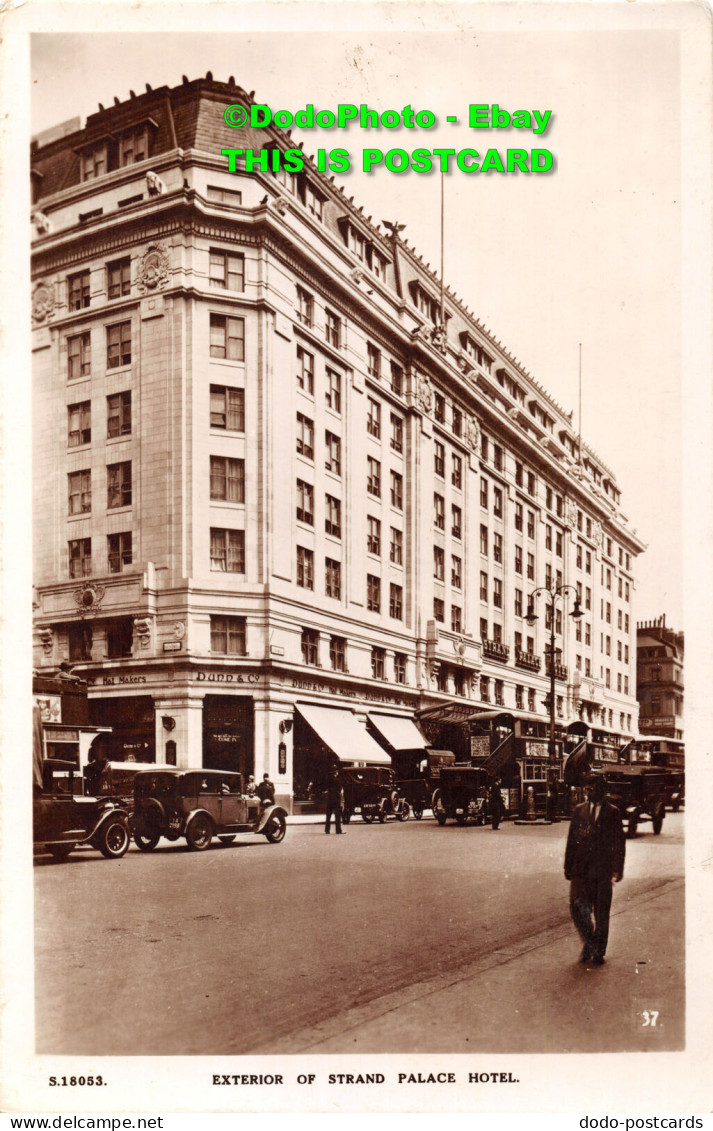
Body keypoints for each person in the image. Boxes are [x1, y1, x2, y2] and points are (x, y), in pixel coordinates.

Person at [564, 775, 626, 965]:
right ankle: (591, 942)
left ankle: (598, 951)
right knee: (577, 909)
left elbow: (619, 842)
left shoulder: (612, 812)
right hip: (580, 871)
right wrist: (568, 866)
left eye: (591, 789)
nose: (587, 792)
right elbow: (571, 840)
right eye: (586, 789)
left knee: (601, 913)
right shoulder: (579, 811)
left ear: (601, 791)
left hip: (602, 871)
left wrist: (618, 868)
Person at [324, 764, 344, 834]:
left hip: (329, 798)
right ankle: (338, 830)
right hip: (335, 799)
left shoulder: (328, 779)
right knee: (337, 815)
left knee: (328, 815)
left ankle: (327, 830)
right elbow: (339, 789)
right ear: (336, 772)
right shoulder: (337, 780)